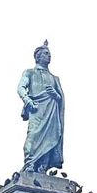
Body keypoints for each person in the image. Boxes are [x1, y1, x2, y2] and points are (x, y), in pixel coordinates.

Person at [18, 40, 65, 173]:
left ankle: (42, 167)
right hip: (37, 109)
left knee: (51, 137)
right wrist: (28, 101)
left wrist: (56, 95)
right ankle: (29, 163)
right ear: (38, 56)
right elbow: (21, 88)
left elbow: (60, 99)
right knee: (32, 136)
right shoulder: (29, 73)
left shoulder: (55, 78)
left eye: (49, 54)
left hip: (52, 112)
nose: (49, 56)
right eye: (46, 53)